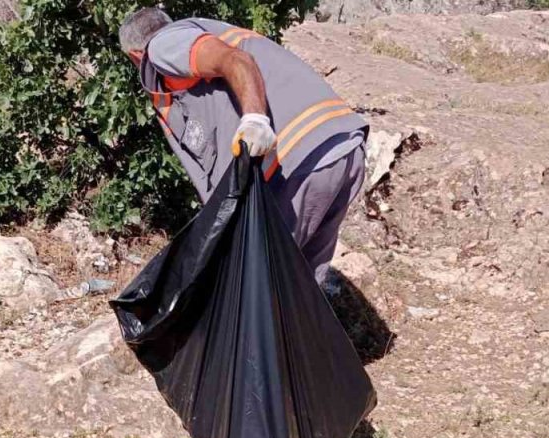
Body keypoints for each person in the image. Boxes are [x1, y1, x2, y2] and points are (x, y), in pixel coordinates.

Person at [118, 7, 369, 285]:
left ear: (135, 55)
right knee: (299, 289)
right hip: (342, 148)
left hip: (298, 162)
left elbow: (235, 60)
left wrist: (255, 120)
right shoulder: (207, 33)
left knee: (253, 282)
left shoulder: (164, 46)